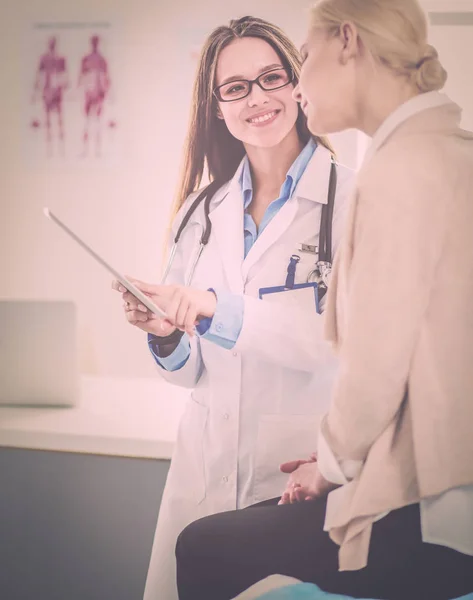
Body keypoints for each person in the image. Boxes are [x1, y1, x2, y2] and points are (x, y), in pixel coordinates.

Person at [174, 1, 473, 599]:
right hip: (413, 469)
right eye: (235, 87)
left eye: (296, 63)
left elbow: (379, 359)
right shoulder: (450, 149)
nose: (295, 86)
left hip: (437, 495)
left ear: (347, 43)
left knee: (204, 549)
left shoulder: (390, 173)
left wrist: (331, 466)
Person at [112, 15, 354, 600]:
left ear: (298, 86)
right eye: (236, 87)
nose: (258, 98)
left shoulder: (354, 202)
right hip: (203, 469)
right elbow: (192, 368)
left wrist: (211, 308)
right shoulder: (200, 211)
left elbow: (340, 340)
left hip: (295, 479)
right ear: (217, 106)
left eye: (271, 77)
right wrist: (167, 331)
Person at [32, 36, 69, 157]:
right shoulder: (44, 58)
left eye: (53, 43)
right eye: (51, 43)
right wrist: (35, 91)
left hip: (57, 91)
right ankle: (49, 149)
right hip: (48, 91)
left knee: (59, 120)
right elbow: (39, 74)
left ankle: (62, 148)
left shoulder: (61, 59)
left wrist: (65, 86)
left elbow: (65, 75)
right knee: (48, 120)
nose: (52, 45)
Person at [78, 35, 111, 157]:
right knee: (87, 122)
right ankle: (84, 150)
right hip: (89, 94)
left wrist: (105, 93)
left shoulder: (102, 60)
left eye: (96, 42)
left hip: (98, 95)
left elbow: (106, 78)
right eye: (94, 42)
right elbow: (81, 78)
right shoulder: (86, 60)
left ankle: (98, 150)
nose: (95, 44)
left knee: (97, 122)